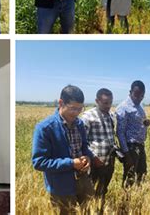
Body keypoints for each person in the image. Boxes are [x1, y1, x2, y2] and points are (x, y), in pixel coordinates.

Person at [32, 85, 95, 214]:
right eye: (73, 108)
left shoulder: (80, 124)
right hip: (61, 187)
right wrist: (71, 163)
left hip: (84, 181)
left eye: (80, 108)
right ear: (61, 103)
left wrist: (88, 157)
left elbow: (84, 147)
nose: (77, 113)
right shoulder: (45, 128)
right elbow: (39, 162)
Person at [80, 88, 116, 211]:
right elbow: (82, 142)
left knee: (103, 189)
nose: (108, 106)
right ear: (97, 101)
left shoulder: (111, 115)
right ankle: (89, 211)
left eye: (110, 102)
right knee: (90, 191)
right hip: (94, 163)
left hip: (109, 160)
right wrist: (93, 157)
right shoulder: (87, 116)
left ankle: (100, 210)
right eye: (105, 103)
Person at [116, 80, 150, 187]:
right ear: (130, 92)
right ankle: (127, 200)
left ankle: (138, 197)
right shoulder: (123, 108)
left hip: (140, 145)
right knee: (129, 177)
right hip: (130, 148)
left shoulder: (140, 106)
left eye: (142, 96)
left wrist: (146, 123)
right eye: (136, 95)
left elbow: (139, 122)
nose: (139, 98)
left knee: (142, 173)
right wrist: (127, 154)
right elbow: (120, 133)